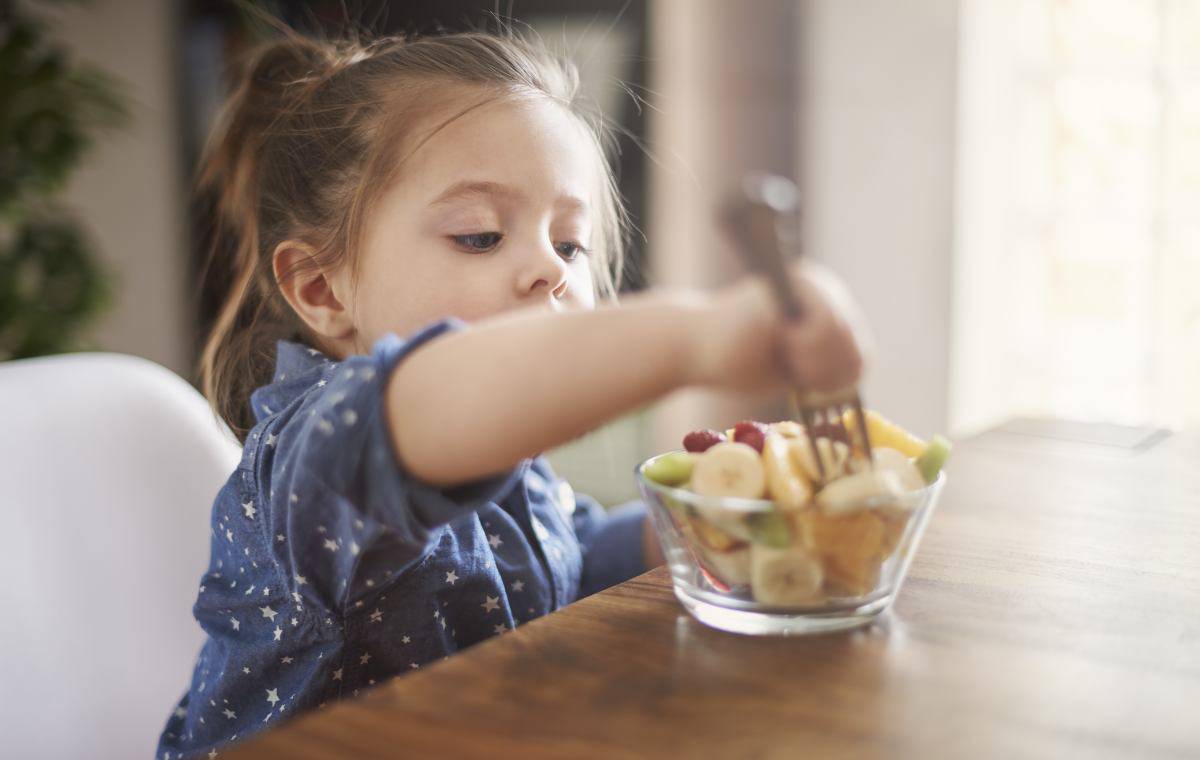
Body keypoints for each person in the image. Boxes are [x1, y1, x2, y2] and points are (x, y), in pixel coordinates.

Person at [158, 26, 867, 759]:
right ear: (320, 287)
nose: (549, 270)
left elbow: (565, 562)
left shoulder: (502, 455)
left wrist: (696, 527)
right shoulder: (320, 454)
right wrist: (699, 335)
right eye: (479, 236)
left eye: (570, 244)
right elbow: (436, 398)